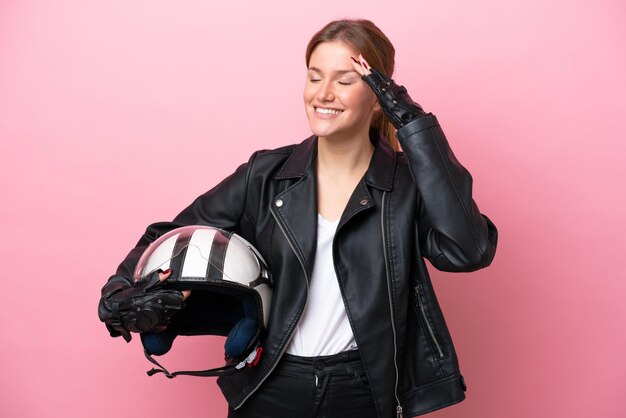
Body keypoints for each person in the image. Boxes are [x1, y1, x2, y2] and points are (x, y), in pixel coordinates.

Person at [98, 18, 497, 418]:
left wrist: (413, 125)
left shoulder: (407, 185)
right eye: (314, 77)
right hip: (271, 380)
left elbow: (467, 251)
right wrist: (120, 292)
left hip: (362, 389)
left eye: (344, 81)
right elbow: (169, 234)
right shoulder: (265, 174)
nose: (324, 94)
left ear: (378, 97)